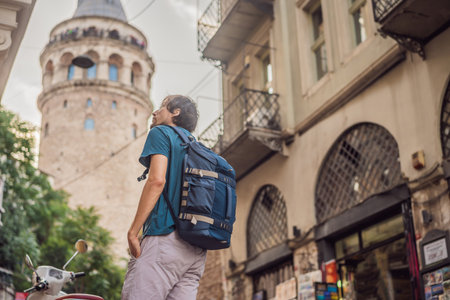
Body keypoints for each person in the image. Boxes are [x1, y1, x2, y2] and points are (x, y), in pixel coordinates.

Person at [122, 95, 206, 300]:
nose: (155, 112)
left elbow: (157, 181)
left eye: (161, 107)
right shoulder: (198, 148)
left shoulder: (161, 133)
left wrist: (134, 232)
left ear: (175, 112)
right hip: (196, 250)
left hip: (164, 238)